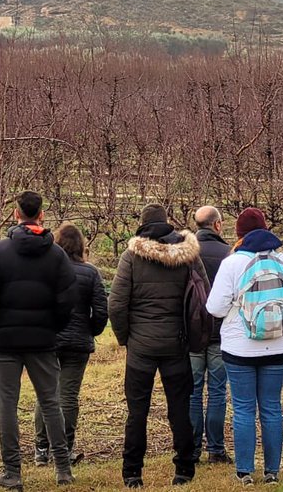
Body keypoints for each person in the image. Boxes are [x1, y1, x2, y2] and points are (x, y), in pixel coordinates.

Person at [0, 192, 77, 489]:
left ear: (15, 215)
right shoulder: (56, 254)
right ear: (41, 215)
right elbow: (68, 298)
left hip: (5, 340)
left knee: (7, 404)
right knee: (50, 401)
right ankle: (63, 469)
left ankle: (12, 472)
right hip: (43, 340)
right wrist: (53, 327)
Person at [207, 208, 283, 486]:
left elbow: (214, 308)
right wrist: (279, 323)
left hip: (239, 348)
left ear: (239, 235)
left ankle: (244, 472)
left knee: (243, 409)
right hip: (278, 346)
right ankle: (272, 472)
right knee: (272, 407)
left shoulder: (231, 264)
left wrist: (239, 311)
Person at [109, 204, 205, 488]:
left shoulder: (131, 256)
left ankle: (132, 472)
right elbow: (202, 298)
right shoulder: (188, 256)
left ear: (142, 224)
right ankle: (184, 469)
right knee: (179, 408)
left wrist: (126, 337)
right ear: (167, 224)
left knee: (137, 411)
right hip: (176, 344)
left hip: (141, 347)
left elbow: (116, 304)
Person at [33, 223, 108, 467]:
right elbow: (100, 310)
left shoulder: (44, 271)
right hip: (77, 342)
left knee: (46, 394)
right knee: (68, 396)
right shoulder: (91, 272)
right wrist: (90, 331)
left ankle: (41, 448)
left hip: (47, 340)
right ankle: (63, 449)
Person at [190, 206, 232, 465]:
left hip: (193, 332)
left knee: (193, 391)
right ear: (217, 225)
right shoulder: (229, 253)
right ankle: (215, 449)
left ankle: (192, 449)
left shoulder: (186, 252)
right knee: (217, 391)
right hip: (220, 331)